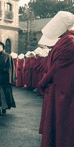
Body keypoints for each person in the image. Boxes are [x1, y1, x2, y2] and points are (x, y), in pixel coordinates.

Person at [38, 11, 74, 147]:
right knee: (60, 122)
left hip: (63, 89)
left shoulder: (68, 42)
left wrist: (42, 83)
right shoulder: (66, 40)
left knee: (62, 122)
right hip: (60, 87)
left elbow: (56, 67)